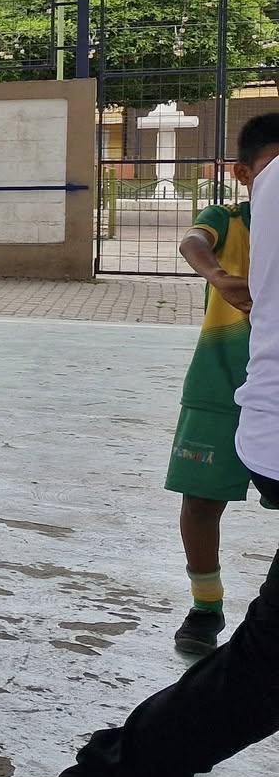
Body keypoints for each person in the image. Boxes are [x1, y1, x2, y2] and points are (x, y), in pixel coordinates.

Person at [8, 146, 279, 777]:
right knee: (265, 668)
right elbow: (193, 241)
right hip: (241, 402)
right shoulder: (245, 204)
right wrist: (216, 273)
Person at [162, 115, 279, 655]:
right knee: (202, 499)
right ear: (243, 174)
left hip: (271, 393)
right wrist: (218, 276)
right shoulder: (230, 219)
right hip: (217, 385)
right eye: (270, 169)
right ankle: (205, 606)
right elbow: (192, 241)